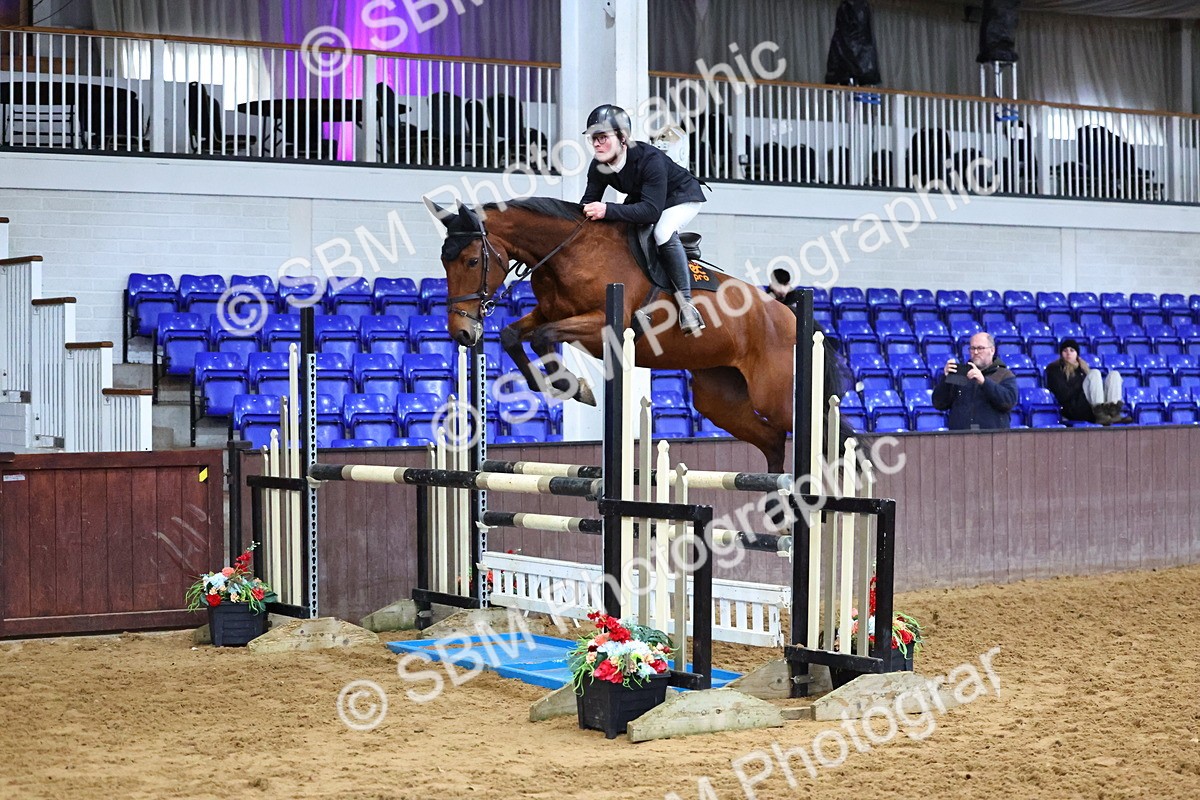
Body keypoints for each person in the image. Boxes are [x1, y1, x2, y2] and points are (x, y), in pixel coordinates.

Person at [580, 104, 708, 336]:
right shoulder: (599, 166)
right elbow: (588, 204)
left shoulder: (650, 160)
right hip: (648, 198)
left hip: (681, 196)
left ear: (622, 138)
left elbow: (650, 212)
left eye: (602, 137)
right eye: (593, 139)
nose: (596, 144)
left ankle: (687, 306)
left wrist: (607, 210)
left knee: (662, 231)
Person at [931, 332, 1019, 431]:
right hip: (960, 440)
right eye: (972, 348)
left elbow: (1008, 402)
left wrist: (984, 382)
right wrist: (946, 380)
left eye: (980, 348)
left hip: (994, 440)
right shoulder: (960, 373)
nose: (976, 352)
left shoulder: (1004, 374)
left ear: (992, 350)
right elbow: (939, 404)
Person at [1044, 338, 1129, 425]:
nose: (1068, 353)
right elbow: (1063, 394)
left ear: (1077, 354)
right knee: (1095, 373)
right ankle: (1099, 414)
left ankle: (1113, 413)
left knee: (1114, 375)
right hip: (1074, 408)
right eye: (1065, 350)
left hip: (1089, 405)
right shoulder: (1055, 369)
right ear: (1061, 354)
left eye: (1072, 350)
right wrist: (1082, 387)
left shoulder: (1083, 369)